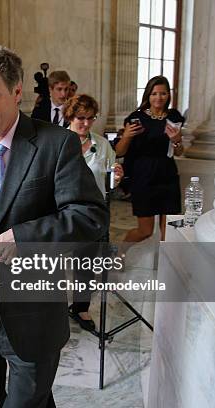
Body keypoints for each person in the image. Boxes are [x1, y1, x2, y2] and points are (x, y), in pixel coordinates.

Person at [0, 43, 107, 408]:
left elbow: (89, 214)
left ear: (16, 91)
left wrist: (24, 237)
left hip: (34, 311)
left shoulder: (56, 144)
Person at [63, 94, 123, 331]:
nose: (86, 123)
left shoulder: (103, 144)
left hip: (92, 213)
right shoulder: (57, 141)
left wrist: (116, 178)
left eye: (91, 118)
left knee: (85, 264)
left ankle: (80, 308)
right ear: (70, 116)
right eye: (81, 118)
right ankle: (49, 309)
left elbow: (110, 181)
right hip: (62, 211)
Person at [115, 76, 184, 242]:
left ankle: (166, 267)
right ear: (148, 95)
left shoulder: (174, 117)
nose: (158, 98)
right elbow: (119, 152)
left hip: (168, 176)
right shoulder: (136, 117)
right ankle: (120, 256)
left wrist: (176, 141)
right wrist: (127, 136)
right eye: (154, 93)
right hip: (143, 177)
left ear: (169, 95)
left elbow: (179, 151)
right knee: (145, 231)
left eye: (163, 93)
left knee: (170, 231)